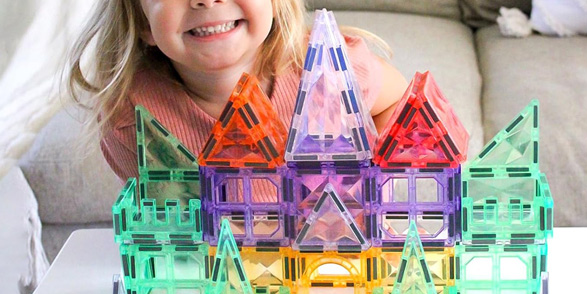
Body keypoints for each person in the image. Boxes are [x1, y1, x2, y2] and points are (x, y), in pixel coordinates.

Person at [68, 0, 408, 182]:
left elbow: (402, 102)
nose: (205, 1)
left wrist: (372, 172)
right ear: (143, 23)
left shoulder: (332, 69)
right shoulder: (132, 121)